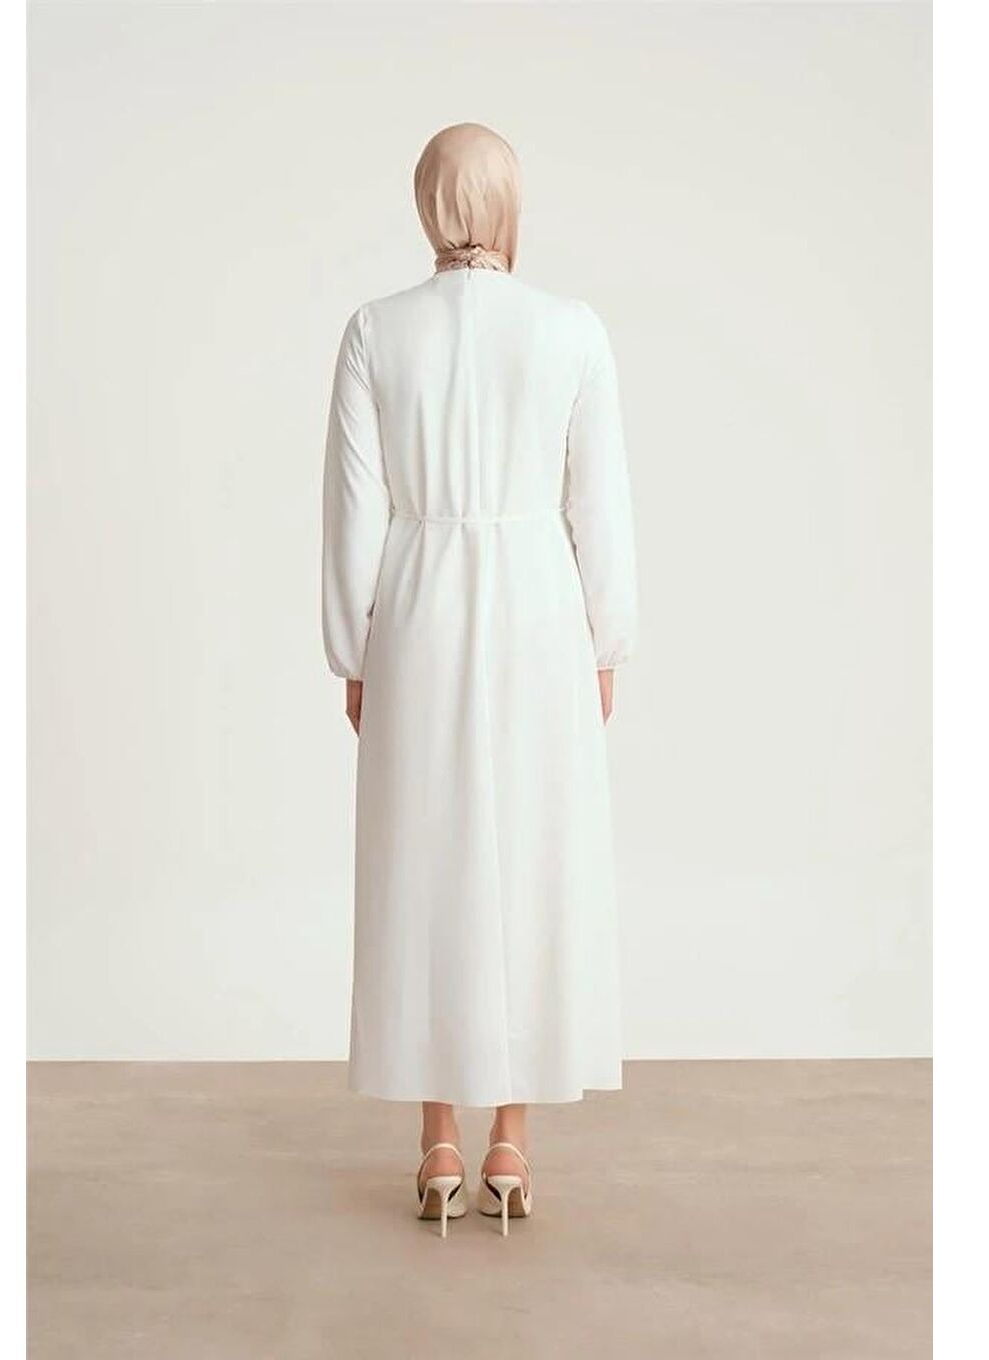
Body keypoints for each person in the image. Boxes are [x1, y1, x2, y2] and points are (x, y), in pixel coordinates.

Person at [321, 122, 637, 1237]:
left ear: (426, 203)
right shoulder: (570, 328)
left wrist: (353, 649)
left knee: (426, 856)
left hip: (418, 605)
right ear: (508, 202)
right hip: (540, 609)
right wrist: (606, 640)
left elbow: (354, 510)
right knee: (532, 855)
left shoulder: (376, 330)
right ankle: (511, 1140)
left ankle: (437, 1142)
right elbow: (598, 502)